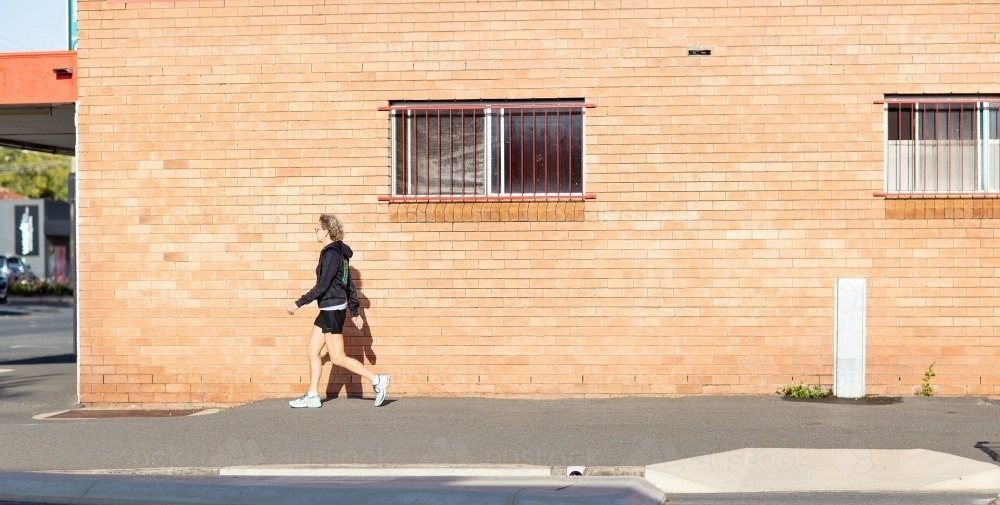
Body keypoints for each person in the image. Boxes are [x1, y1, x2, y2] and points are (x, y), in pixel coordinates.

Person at [286, 214, 389, 407]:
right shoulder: (337, 253)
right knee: (312, 350)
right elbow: (348, 284)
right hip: (327, 309)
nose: (315, 232)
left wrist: (299, 303)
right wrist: (356, 312)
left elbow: (323, 285)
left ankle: (377, 380)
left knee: (337, 357)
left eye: (317, 229)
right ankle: (313, 395)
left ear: (326, 230)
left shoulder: (332, 254)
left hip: (332, 309)